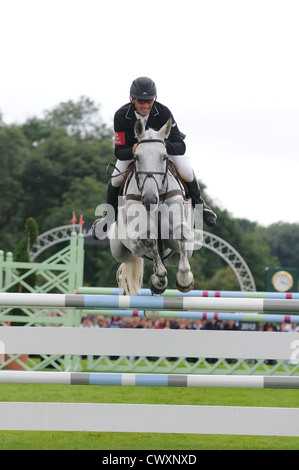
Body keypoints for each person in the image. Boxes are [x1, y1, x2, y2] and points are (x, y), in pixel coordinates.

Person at [92, 76, 217, 238]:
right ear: (132, 99)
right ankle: (108, 217)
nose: (145, 105)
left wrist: (160, 147)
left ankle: (200, 205)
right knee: (116, 178)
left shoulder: (163, 112)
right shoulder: (121, 116)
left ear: (154, 99)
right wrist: (132, 150)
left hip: (163, 153)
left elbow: (180, 145)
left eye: (149, 101)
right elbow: (119, 150)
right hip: (135, 154)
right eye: (140, 101)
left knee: (185, 170)